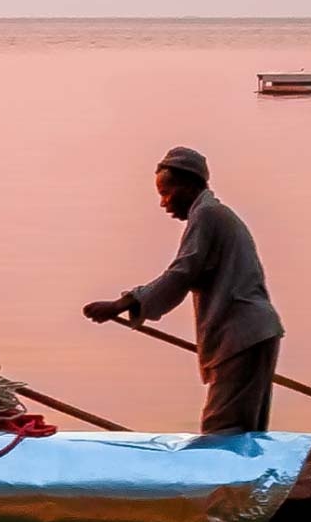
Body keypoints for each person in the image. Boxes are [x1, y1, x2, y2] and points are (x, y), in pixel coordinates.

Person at [82, 146, 285, 435]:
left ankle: (220, 478)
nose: (164, 203)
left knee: (224, 429)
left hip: (243, 334)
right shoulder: (212, 215)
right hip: (251, 333)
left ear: (189, 185)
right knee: (243, 430)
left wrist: (122, 303)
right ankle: (240, 479)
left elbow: (182, 272)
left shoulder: (208, 215)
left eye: (167, 192)